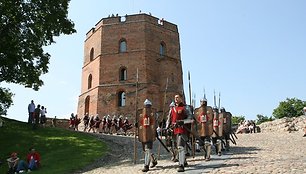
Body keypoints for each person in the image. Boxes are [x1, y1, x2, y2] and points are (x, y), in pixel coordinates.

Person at [167, 93, 191, 172]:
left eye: (177, 97)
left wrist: (183, 122)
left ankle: (181, 165)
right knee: (177, 147)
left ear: (181, 98)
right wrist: (167, 127)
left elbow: (191, 119)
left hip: (182, 129)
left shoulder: (185, 107)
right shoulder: (172, 109)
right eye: (175, 98)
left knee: (180, 147)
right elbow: (169, 119)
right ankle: (184, 161)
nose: (176, 99)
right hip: (174, 130)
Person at [137, 99, 158, 172]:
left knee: (147, 149)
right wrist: (137, 124)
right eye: (146, 105)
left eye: (148, 105)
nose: (147, 106)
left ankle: (146, 165)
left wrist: (155, 130)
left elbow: (155, 122)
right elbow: (140, 121)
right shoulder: (141, 113)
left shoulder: (154, 113)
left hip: (150, 132)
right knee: (145, 150)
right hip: (143, 132)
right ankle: (153, 160)